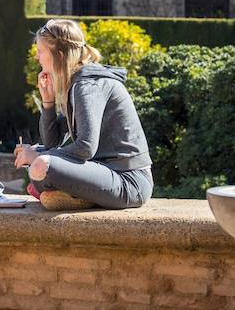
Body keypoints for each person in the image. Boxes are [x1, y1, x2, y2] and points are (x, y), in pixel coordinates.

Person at [14, 19, 153, 211]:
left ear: (59, 55)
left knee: (40, 166)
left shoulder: (88, 86)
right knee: (37, 166)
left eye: (40, 51)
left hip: (130, 181)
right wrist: (48, 103)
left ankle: (75, 195)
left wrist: (37, 155)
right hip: (105, 174)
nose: (36, 57)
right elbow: (53, 143)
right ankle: (78, 195)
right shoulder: (75, 84)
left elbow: (86, 148)